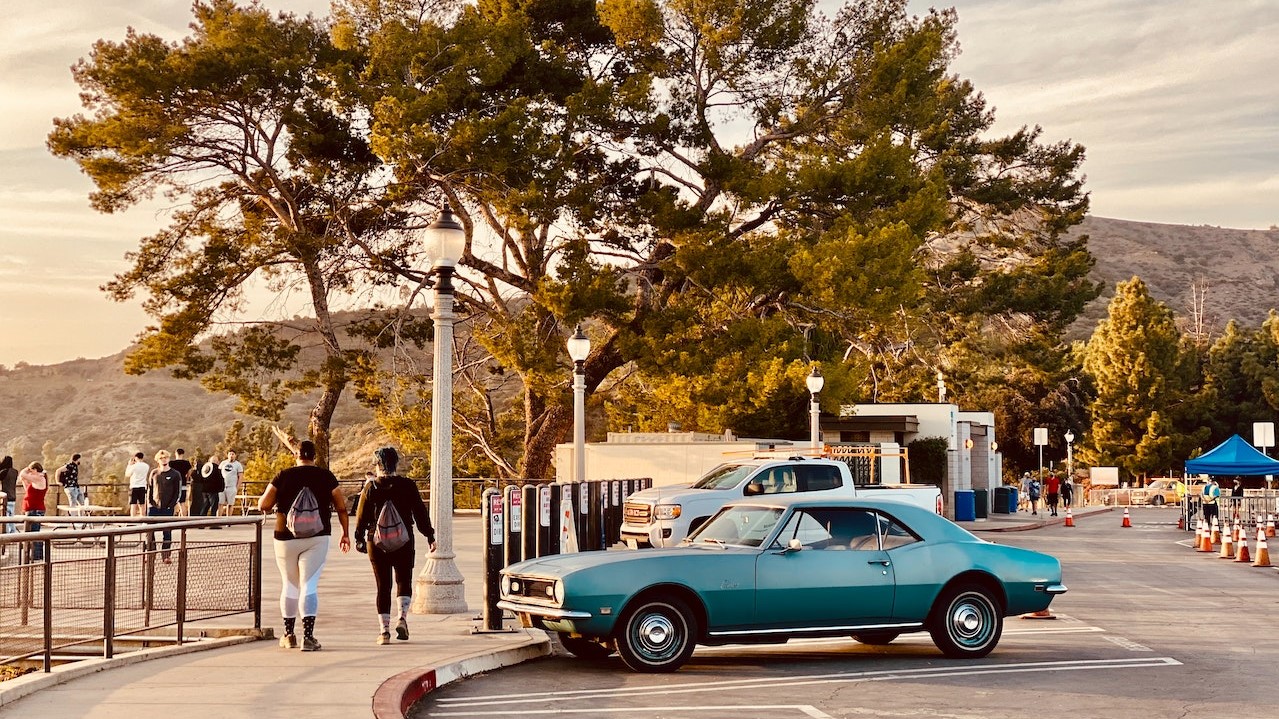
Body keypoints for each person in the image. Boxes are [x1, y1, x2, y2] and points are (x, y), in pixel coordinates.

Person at [257, 440, 350, 652]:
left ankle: (288, 635)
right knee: (309, 584)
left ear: (295, 456)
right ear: (314, 456)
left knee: (289, 584)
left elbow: (263, 505)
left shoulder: (283, 475)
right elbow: (342, 508)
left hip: (284, 537)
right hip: (318, 536)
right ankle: (308, 637)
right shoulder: (326, 477)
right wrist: (345, 533)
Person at [354, 447, 435, 645]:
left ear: (378, 465)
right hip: (404, 540)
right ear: (395, 464)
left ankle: (384, 632)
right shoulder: (407, 485)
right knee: (403, 581)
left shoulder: (370, 487)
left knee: (383, 586)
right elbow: (419, 512)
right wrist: (429, 535)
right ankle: (402, 618)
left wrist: (359, 538)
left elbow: (361, 515)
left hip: (376, 542)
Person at [147, 450, 182, 564]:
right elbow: (150, 489)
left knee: (167, 532)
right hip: (153, 507)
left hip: (167, 508)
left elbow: (177, 492)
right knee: (149, 532)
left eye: (166, 457)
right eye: (162, 458)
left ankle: (166, 555)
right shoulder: (154, 473)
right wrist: (150, 503)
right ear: (158, 460)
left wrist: (171, 505)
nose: (164, 460)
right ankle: (150, 553)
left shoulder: (175, 474)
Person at [19, 462, 48, 561]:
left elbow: (22, 474)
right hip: (32, 509)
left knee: (35, 533)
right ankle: (34, 555)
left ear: (35, 470)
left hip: (35, 510)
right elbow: (28, 490)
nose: (30, 473)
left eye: (31, 471)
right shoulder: (36, 480)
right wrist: (24, 481)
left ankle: (37, 556)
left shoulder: (40, 478)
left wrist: (26, 469)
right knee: (32, 533)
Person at [220, 450, 245, 516]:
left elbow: (240, 477)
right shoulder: (223, 463)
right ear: (227, 455)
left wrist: (237, 487)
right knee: (220, 504)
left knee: (230, 504)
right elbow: (218, 473)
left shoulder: (238, 465)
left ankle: (228, 520)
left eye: (233, 454)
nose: (231, 455)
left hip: (232, 487)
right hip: (222, 486)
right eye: (230, 454)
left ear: (235, 455)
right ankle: (218, 520)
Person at [169, 449, 193, 517]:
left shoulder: (171, 463)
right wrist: (187, 478)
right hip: (183, 484)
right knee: (182, 503)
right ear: (183, 454)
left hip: (173, 485)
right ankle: (184, 520)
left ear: (176, 453)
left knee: (172, 504)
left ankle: (171, 520)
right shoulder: (186, 463)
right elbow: (189, 472)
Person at [126, 452, 149, 517]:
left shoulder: (134, 466)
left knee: (133, 504)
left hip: (134, 486)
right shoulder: (146, 466)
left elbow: (127, 474)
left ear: (136, 458)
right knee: (142, 504)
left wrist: (129, 465)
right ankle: (143, 519)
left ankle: (133, 519)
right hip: (142, 486)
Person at [1, 456, 19, 534]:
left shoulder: (4, 472)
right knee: (11, 517)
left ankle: (7, 534)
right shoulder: (15, 471)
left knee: (6, 517)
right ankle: (13, 532)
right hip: (13, 496)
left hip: (6, 497)